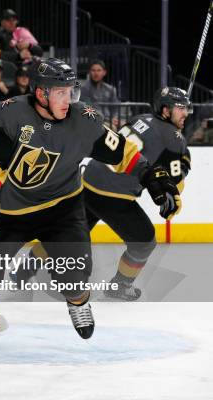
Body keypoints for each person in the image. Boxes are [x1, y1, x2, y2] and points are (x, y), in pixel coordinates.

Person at [0, 58, 181, 362]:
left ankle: (78, 303)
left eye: (71, 91)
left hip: (61, 210)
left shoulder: (85, 119)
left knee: (74, 275)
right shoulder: (8, 113)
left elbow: (122, 152)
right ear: (41, 93)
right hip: (10, 211)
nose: (70, 99)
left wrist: (152, 177)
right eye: (61, 92)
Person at [81, 87, 190, 300]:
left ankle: (24, 269)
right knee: (144, 242)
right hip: (114, 194)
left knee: (63, 233)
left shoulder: (140, 118)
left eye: (186, 108)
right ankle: (120, 286)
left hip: (88, 180)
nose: (185, 113)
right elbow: (173, 182)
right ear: (166, 110)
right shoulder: (174, 138)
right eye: (180, 108)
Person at [80, 60, 120, 130]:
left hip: (108, 120)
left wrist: (114, 117)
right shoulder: (84, 89)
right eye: (93, 70)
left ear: (104, 72)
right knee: (112, 128)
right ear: (90, 72)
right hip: (92, 121)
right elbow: (86, 108)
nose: (96, 73)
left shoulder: (110, 89)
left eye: (99, 70)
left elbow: (115, 108)